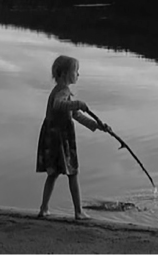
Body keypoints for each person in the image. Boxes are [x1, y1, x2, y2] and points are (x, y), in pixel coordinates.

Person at [36, 55, 109, 220]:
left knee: (53, 174)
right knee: (72, 173)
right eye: (76, 71)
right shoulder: (62, 91)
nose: (78, 74)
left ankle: (44, 208)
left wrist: (97, 126)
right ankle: (78, 212)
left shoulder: (63, 91)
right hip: (59, 137)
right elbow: (58, 104)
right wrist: (77, 103)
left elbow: (75, 115)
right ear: (64, 74)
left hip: (54, 137)